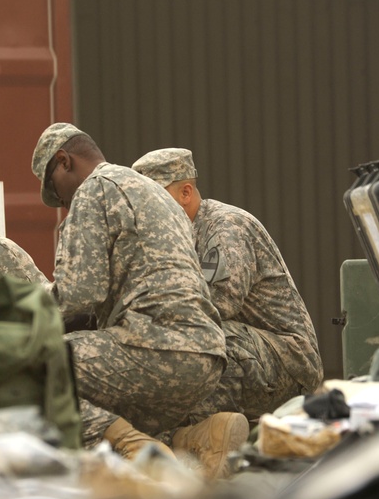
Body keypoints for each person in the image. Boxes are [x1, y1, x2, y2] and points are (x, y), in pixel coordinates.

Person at [31, 123, 249, 479]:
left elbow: (77, 293)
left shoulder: (94, 189)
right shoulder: (154, 192)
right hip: (206, 357)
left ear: (63, 161)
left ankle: (137, 450)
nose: (64, 205)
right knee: (101, 390)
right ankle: (195, 437)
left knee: (32, 370)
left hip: (155, 346)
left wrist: (19, 319)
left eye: (58, 193)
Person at [132, 148, 324, 421]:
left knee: (199, 339)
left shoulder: (227, 226)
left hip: (289, 363)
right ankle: (186, 434)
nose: (145, 213)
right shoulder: (174, 238)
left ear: (185, 193)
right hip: (253, 354)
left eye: (152, 201)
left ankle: (198, 433)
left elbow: (215, 305)